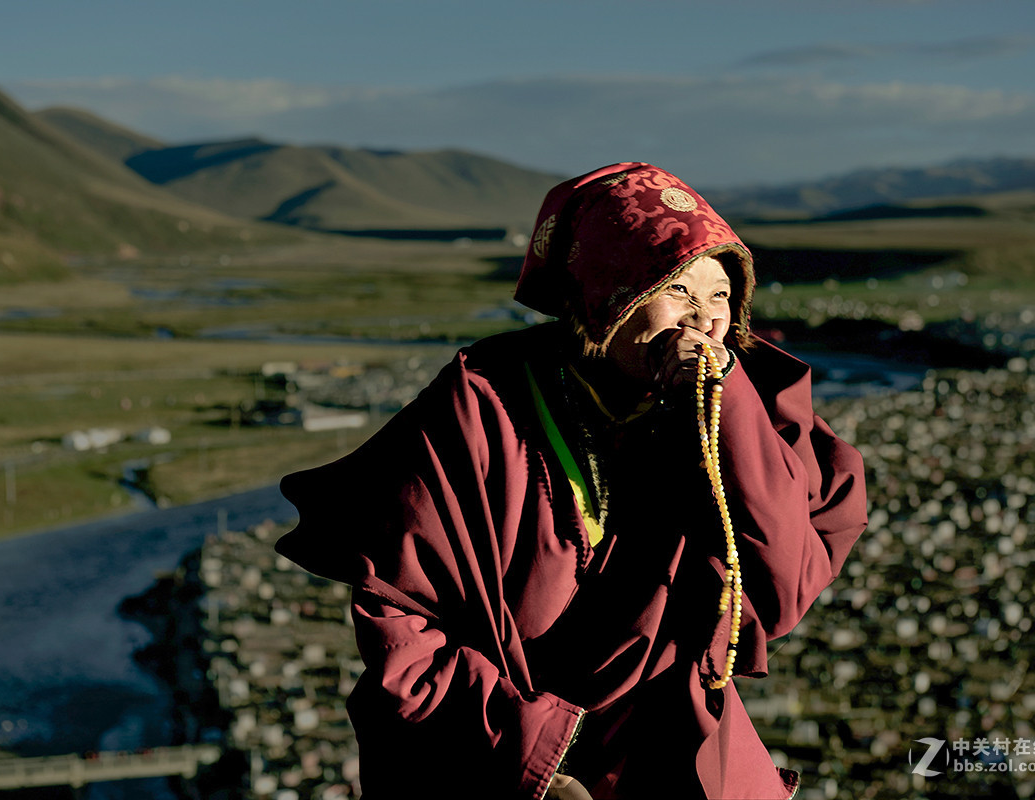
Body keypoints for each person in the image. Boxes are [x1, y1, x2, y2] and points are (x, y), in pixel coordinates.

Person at [277, 163, 868, 799]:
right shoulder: (481, 407)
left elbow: (778, 587)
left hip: (664, 748)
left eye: (721, 295)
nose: (704, 320)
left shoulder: (745, 417)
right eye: (677, 291)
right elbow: (401, 617)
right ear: (608, 294)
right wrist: (533, 757)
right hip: (497, 756)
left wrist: (729, 421)